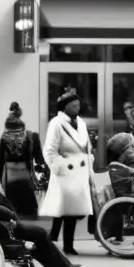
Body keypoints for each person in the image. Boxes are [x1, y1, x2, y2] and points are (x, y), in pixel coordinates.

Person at [40, 88, 94, 256]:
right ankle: (68, 245)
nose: (77, 107)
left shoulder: (82, 123)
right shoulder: (56, 123)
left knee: (67, 209)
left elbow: (86, 146)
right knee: (69, 211)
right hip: (66, 171)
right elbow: (49, 150)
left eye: (78, 104)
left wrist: (89, 162)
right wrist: (60, 166)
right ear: (65, 107)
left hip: (81, 170)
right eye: (73, 105)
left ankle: (53, 237)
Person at [0, 102, 47, 220]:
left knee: (13, 209)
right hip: (25, 174)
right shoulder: (32, 137)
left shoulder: (4, 137)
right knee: (30, 208)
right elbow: (39, 159)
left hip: (9, 175)